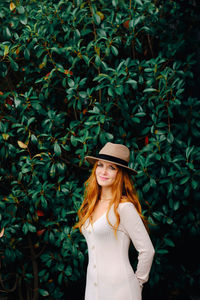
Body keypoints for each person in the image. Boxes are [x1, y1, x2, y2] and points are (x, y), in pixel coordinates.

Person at [74, 142, 155, 300]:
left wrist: (137, 283)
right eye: (100, 165)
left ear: (121, 174)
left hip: (121, 291)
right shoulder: (92, 204)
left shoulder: (124, 208)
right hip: (93, 288)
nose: (103, 171)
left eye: (112, 168)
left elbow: (147, 250)